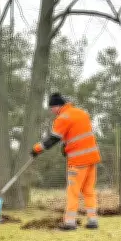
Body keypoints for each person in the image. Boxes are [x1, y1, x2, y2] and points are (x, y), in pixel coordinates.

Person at [31, 93, 101, 230]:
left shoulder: (63, 118)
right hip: (92, 158)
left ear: (57, 106)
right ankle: (93, 220)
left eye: (51, 108)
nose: (51, 111)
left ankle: (70, 222)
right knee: (88, 190)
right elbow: (79, 134)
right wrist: (67, 145)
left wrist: (36, 149)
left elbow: (52, 140)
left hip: (78, 161)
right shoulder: (81, 113)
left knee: (73, 192)